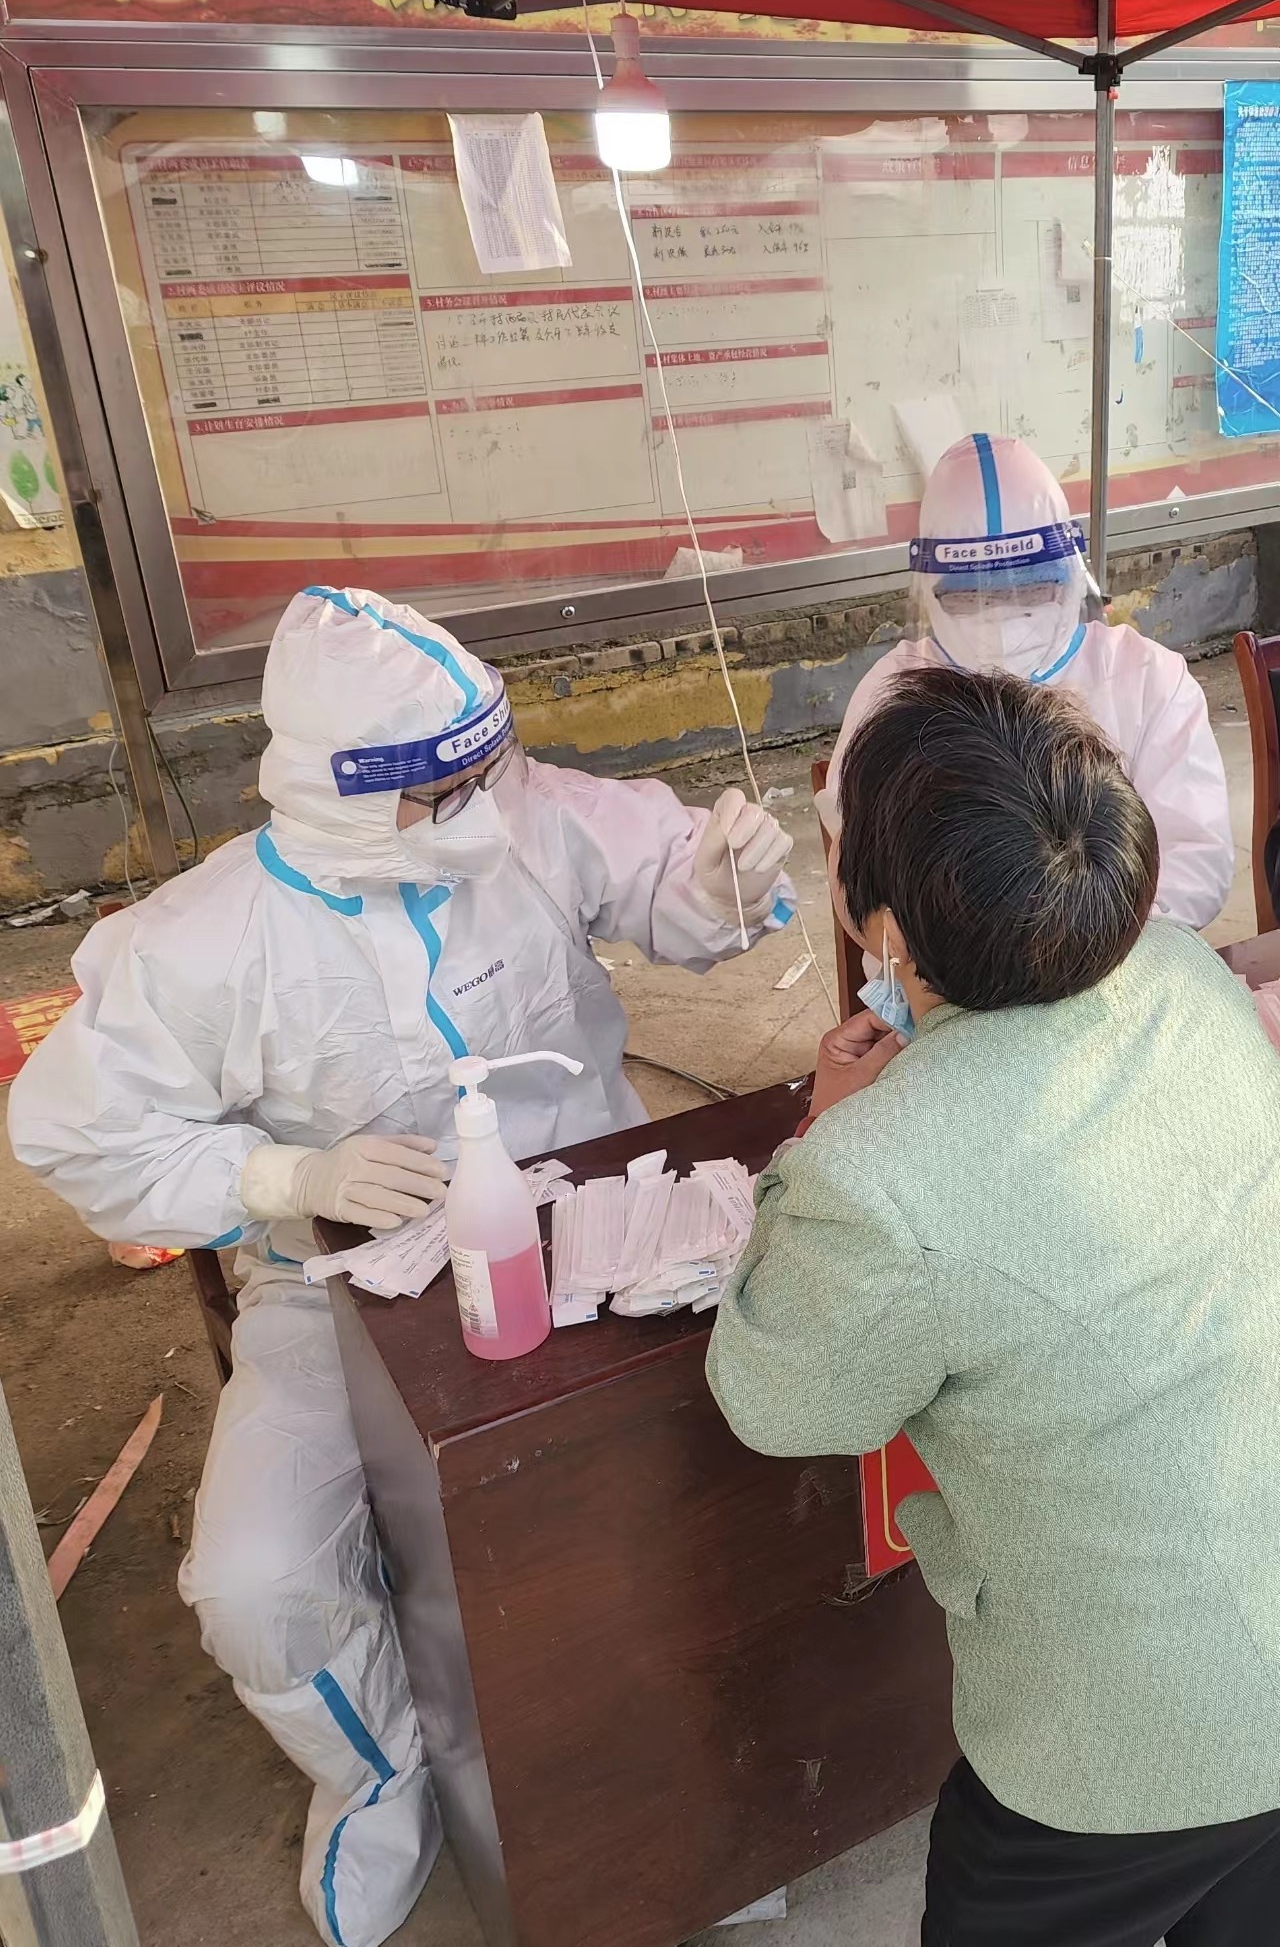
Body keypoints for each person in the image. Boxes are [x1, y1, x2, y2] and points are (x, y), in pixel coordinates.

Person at [7, 583, 795, 1947]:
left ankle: (674, 1783)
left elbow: (667, 881)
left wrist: (720, 880)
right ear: (347, 794)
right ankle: (382, 1775)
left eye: (490, 769)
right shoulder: (200, 942)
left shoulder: (522, 818)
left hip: (602, 1232)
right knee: (257, 1580)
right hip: (337, 1291)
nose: (487, 804)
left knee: (691, 1489)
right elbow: (77, 1133)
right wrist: (281, 1180)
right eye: (447, 789)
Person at [709, 666, 1280, 1947]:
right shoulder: (1181, 973)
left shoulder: (875, 1175)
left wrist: (824, 1134)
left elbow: (779, 1400)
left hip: (1132, 1733)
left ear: (880, 925)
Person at [824, 432, 1233, 933]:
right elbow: (860, 884)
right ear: (929, 590)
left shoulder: (1149, 680)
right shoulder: (890, 695)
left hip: (1120, 963)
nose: (1002, 619)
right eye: (970, 597)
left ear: (1072, 572)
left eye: (1033, 590)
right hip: (937, 977)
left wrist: (1078, 949)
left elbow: (1197, 861)